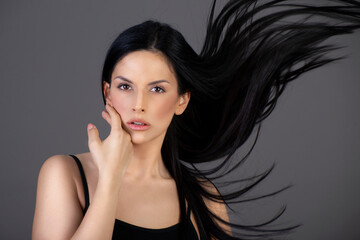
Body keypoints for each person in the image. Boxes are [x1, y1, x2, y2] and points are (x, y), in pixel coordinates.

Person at [32, 0, 360, 239]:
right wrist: (110, 183)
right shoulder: (64, 174)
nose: (138, 104)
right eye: (125, 87)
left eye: (157, 89)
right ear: (107, 92)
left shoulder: (203, 199)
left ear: (182, 100)